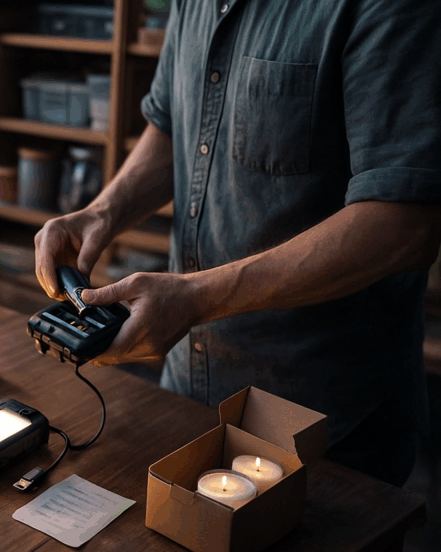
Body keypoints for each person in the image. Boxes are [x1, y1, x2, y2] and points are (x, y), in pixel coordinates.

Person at [34, 0, 441, 487]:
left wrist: (197, 297)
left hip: (324, 422)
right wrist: (101, 212)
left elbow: (403, 224)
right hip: (188, 385)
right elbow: (173, 125)